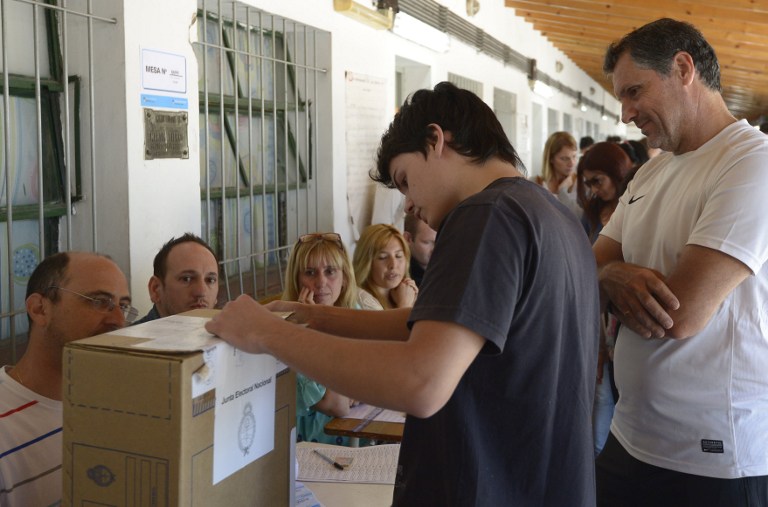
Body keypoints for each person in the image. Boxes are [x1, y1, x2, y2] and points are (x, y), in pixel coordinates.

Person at [205, 81, 599, 506]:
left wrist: (267, 334)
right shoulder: (549, 213)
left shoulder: (484, 216)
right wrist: (317, 317)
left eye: (405, 180)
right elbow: (444, 325)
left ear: (435, 140)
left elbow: (420, 382)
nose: (408, 204)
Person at [594, 18, 768, 506]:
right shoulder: (653, 170)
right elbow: (590, 267)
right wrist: (610, 275)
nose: (627, 114)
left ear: (683, 67)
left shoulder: (751, 162)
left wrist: (607, 282)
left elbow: (679, 313)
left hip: (712, 460)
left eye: (634, 92)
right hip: (630, 437)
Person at [0, 252, 135, 506]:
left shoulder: (119, 403)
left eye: (123, 306)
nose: (118, 320)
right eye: (99, 301)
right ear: (39, 309)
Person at [575, 141, 634, 457]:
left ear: (617, 173)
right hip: (598, 320)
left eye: (598, 180)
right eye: (588, 183)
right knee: (600, 401)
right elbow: (585, 265)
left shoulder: (635, 205)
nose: (594, 189)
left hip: (624, 317)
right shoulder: (591, 215)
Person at [283, 232, 370, 445]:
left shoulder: (355, 312)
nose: (321, 282)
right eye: (310, 272)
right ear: (297, 279)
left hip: (361, 433)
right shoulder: (291, 331)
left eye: (330, 271)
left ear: (345, 278)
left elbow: (381, 380)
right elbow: (337, 404)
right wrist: (317, 326)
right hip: (317, 446)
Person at [134, 233, 219, 324]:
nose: (201, 292)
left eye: (210, 280)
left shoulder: (226, 335)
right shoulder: (127, 337)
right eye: (187, 279)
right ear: (155, 289)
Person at [352, 223, 418, 310]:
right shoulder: (362, 299)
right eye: (383, 257)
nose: (393, 265)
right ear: (366, 262)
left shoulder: (404, 293)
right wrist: (405, 305)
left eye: (398, 256)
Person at [534, 131, 581, 216]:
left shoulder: (581, 183)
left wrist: (563, 190)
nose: (572, 163)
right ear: (551, 159)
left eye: (574, 156)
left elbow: (578, 218)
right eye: (564, 159)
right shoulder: (535, 183)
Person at [401, 214, 436, 287]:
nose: (435, 249)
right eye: (427, 242)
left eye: (439, 241)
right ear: (407, 239)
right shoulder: (399, 276)